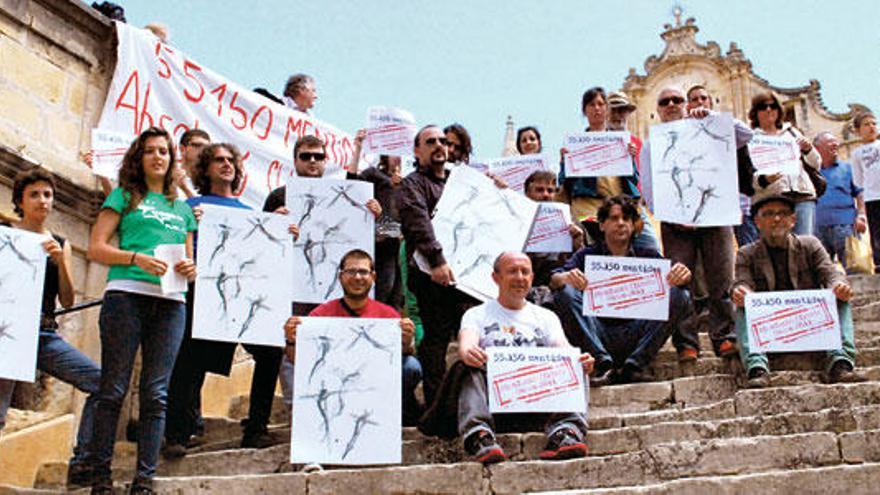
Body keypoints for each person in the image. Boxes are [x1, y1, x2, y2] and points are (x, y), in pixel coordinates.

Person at [85, 127, 197, 494]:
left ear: (171, 159)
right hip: (126, 295)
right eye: (150, 151)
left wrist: (190, 269)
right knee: (113, 388)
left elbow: (189, 259)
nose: (158, 156)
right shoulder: (123, 196)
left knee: (156, 393)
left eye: (164, 151)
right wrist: (134, 257)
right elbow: (96, 249)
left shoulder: (182, 209)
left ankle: (145, 479)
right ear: (139, 157)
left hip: (171, 304)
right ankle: (100, 475)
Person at [263, 135, 381, 416]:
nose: (312, 161)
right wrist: (274, 224)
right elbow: (262, 245)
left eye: (318, 156)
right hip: (292, 289)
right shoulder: (279, 196)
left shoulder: (348, 195)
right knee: (294, 346)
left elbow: (366, 242)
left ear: (326, 161)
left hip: (335, 291)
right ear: (295, 161)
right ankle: (298, 414)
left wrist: (374, 214)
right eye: (306, 156)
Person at [0, 169, 101, 488]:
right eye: (35, 194)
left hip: (43, 333)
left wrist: (59, 264)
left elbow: (69, 300)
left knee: (100, 381)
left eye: (47, 194)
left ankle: (83, 459)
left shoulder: (60, 243)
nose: (43, 200)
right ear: (20, 201)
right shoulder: (5, 232)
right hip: (7, 331)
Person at [456, 252, 594, 464]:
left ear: (532, 277)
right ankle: (479, 435)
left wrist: (580, 360)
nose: (520, 277)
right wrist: (468, 351)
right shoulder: (477, 314)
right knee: (467, 365)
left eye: (525, 272)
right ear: (496, 277)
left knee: (575, 362)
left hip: (538, 403)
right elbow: (467, 342)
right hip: (494, 405)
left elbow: (562, 348)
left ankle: (566, 431)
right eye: (512, 271)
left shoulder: (546, 316)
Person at [655, 86, 751, 361]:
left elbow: (746, 135)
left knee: (722, 277)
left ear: (685, 104)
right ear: (658, 108)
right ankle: (686, 342)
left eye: (677, 99)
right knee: (679, 280)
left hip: (715, 214)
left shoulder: (708, 125)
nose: (672, 104)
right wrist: (673, 212)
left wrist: (713, 116)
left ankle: (726, 337)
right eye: (665, 101)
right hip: (676, 222)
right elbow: (650, 188)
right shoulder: (655, 141)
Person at [552, 195, 692, 385]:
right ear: (602, 225)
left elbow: (675, 282)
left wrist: (682, 275)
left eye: (626, 219)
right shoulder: (587, 254)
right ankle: (601, 365)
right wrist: (565, 278)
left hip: (636, 332)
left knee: (680, 294)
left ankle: (635, 365)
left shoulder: (648, 256)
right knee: (565, 293)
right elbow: (555, 279)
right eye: (614, 218)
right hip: (596, 332)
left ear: (634, 225)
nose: (620, 223)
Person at [731, 195, 861, 388]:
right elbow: (742, 282)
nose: (776, 219)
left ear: (793, 220)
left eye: (782, 214)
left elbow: (830, 272)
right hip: (770, 331)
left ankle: (840, 363)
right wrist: (742, 292)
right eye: (768, 214)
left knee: (840, 297)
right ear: (757, 222)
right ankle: (756, 367)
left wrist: (838, 285)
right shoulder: (746, 253)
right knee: (743, 306)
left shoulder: (810, 245)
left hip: (809, 326)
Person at [282, 249, 423, 425]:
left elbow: (405, 352)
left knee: (411, 366)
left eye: (363, 272)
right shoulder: (320, 314)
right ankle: (303, 420)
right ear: (340, 276)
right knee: (286, 362)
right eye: (350, 271)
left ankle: (397, 413)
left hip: (374, 381)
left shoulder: (388, 314)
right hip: (334, 381)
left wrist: (407, 340)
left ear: (373, 277)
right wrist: (291, 340)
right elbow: (298, 360)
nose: (357, 277)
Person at [397, 125, 481, 406]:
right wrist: (437, 261)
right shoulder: (412, 185)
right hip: (432, 278)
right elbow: (418, 223)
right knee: (435, 342)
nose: (439, 146)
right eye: (430, 141)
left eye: (443, 141)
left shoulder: (462, 184)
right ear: (417, 150)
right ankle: (436, 408)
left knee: (476, 338)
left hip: (468, 280)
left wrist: (497, 191)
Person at [557, 87, 655, 251]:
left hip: (623, 206)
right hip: (589, 208)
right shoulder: (575, 145)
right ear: (584, 111)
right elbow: (563, 183)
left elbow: (635, 180)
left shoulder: (624, 142)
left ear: (606, 109)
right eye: (592, 104)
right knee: (598, 251)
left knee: (651, 246)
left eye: (601, 104)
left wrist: (630, 159)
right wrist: (564, 163)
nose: (597, 108)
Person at [748, 91, 821, 236]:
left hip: (802, 195)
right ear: (755, 113)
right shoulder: (750, 139)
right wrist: (763, 180)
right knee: (776, 248)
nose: (769, 110)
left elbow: (816, 164)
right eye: (763, 107)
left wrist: (808, 149)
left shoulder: (792, 133)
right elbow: (745, 174)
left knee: (804, 245)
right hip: (770, 198)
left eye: (773, 106)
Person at [347, 129, 405, 308]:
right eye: (395, 152)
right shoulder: (373, 175)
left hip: (398, 247)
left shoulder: (409, 184)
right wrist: (357, 148)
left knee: (395, 302)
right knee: (379, 296)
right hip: (378, 248)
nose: (398, 158)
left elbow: (402, 229)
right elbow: (351, 183)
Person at [522, 170, 585, 307]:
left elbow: (578, 263)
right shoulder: (514, 218)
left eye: (550, 191)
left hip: (556, 282)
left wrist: (577, 243)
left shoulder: (569, 218)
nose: (545, 195)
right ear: (527, 193)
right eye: (539, 190)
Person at [814, 132, 867, 270]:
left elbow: (860, 193)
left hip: (846, 226)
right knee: (821, 272)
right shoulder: (810, 172)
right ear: (817, 148)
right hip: (817, 229)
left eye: (836, 141)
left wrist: (862, 216)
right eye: (830, 141)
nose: (836, 144)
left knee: (855, 269)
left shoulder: (848, 168)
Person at [850, 112, 880, 273]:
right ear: (858, 130)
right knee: (876, 233)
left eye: (874, 123)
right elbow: (858, 180)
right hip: (872, 197)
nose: (871, 127)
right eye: (867, 124)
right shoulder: (857, 154)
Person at [174, 129, 211, 199]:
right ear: (182, 149)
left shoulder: (212, 184)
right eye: (198, 145)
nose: (203, 150)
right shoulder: (168, 178)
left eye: (208, 148)